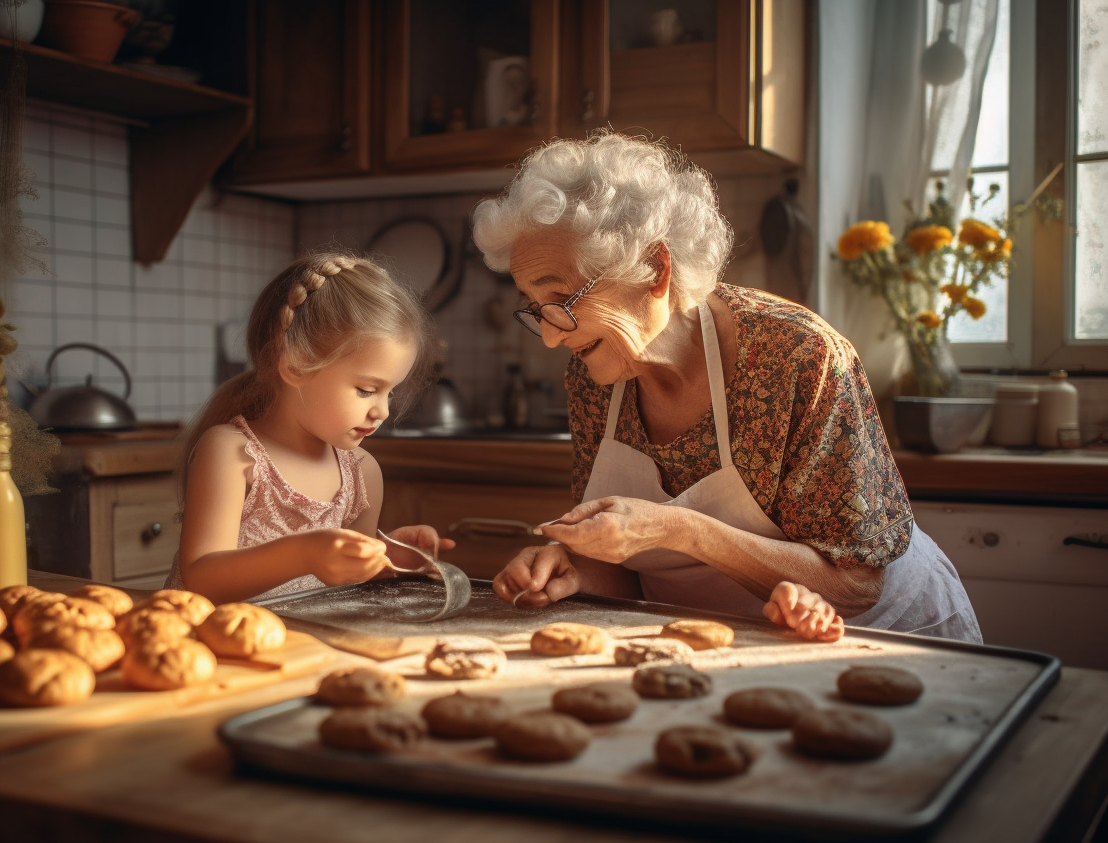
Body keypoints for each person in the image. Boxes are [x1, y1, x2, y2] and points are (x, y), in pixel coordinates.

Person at [470, 132, 981, 643]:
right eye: (536, 311)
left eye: (561, 299)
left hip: (888, 640)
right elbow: (624, 568)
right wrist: (574, 570)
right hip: (731, 645)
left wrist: (679, 527)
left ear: (654, 268)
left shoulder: (797, 356)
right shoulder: (594, 376)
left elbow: (853, 585)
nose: (553, 337)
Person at [168, 250, 452, 603]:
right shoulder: (231, 452)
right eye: (366, 390)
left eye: (389, 393)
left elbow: (349, 588)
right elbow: (201, 578)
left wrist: (387, 559)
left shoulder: (363, 473)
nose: (381, 411)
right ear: (296, 367)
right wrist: (305, 555)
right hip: (213, 645)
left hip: (304, 647)